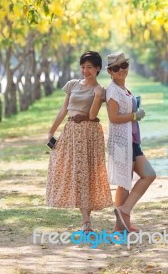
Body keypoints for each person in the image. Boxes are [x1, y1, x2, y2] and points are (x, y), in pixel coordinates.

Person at [46, 51, 113, 233]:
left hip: (90, 133)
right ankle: (85, 220)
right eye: (83, 67)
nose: (85, 71)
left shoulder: (100, 90)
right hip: (71, 133)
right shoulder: (72, 85)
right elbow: (63, 110)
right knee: (74, 172)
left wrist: (98, 96)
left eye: (89, 67)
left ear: (98, 69)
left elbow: (92, 115)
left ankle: (86, 221)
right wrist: (51, 132)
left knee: (88, 174)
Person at [106, 51, 156, 232]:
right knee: (131, 179)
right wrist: (134, 115)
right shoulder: (112, 90)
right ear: (110, 71)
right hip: (121, 141)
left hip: (132, 140)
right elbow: (113, 117)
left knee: (144, 176)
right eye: (116, 68)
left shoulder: (123, 89)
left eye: (124, 65)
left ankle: (123, 220)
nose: (121, 70)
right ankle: (122, 220)